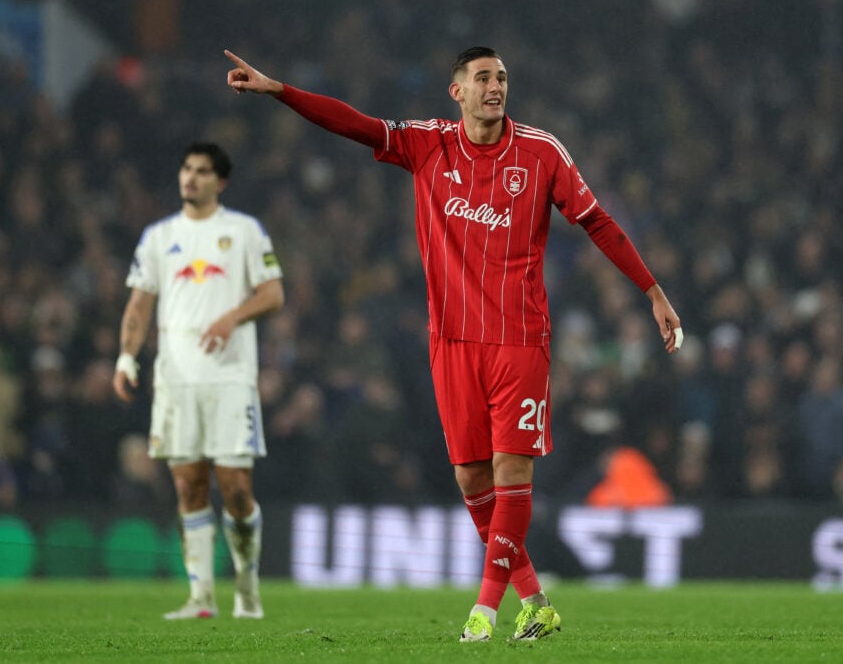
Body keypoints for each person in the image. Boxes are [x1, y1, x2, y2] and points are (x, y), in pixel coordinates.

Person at [225, 46, 682, 641]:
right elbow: (353, 123)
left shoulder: (541, 153)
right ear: (457, 91)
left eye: (503, 78)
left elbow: (597, 220)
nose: (496, 87)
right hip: (451, 341)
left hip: (519, 339)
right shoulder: (427, 144)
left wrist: (652, 291)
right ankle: (536, 602)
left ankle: (485, 609)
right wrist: (280, 89)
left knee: (510, 469)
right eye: (483, 78)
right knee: (472, 481)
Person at [112, 142, 284, 620]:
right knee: (188, 484)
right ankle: (201, 597)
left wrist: (232, 316)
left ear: (219, 182)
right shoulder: (157, 236)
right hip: (175, 379)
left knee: (235, 488)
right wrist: (126, 357)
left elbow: (273, 294)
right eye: (187, 169)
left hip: (230, 377)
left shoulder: (244, 231)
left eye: (202, 171)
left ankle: (247, 588)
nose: (191, 178)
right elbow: (139, 304)